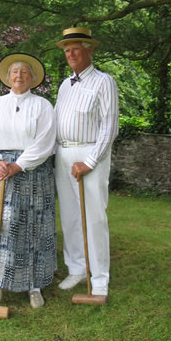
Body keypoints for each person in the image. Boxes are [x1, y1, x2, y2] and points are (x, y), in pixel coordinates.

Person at [0, 53, 56, 308]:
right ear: (7, 77)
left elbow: (45, 141)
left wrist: (19, 164)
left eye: (24, 72)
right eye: (14, 72)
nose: (19, 75)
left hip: (32, 172)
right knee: (1, 227)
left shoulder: (43, 106)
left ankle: (34, 286)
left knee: (34, 227)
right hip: (0, 171)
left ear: (32, 78)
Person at [54, 28, 119, 303]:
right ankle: (77, 269)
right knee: (69, 216)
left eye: (76, 49)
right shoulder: (65, 85)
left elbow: (109, 126)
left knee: (93, 218)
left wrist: (90, 161)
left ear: (89, 51)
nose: (70, 54)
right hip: (63, 154)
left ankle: (100, 278)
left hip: (90, 155)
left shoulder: (104, 82)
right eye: (67, 50)